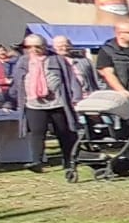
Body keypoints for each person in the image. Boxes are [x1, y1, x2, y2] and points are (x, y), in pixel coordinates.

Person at [10, 34, 79, 177]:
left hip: (57, 103)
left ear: (44, 46)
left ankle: (68, 161)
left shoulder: (57, 59)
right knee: (37, 133)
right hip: (33, 103)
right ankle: (37, 161)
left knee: (64, 133)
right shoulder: (22, 62)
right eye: (29, 47)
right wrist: (8, 100)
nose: (33, 50)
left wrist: (76, 97)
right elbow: (16, 83)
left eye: (37, 46)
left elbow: (71, 79)